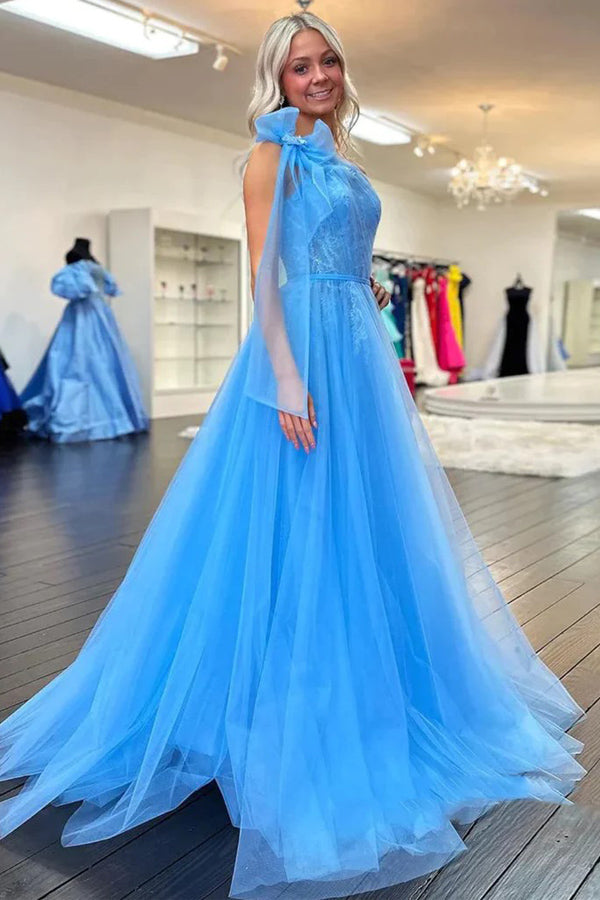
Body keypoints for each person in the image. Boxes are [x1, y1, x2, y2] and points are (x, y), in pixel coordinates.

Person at [0, 12, 584, 900]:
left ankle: (367, 688)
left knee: (362, 520)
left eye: (328, 60)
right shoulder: (269, 155)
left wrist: (362, 320)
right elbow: (263, 274)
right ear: (277, 79)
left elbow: (340, 258)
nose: (319, 76)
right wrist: (284, 379)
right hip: (303, 350)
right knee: (291, 518)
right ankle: (259, 704)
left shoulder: (341, 158)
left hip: (356, 347)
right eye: (300, 66)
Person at [20, 238, 149, 442]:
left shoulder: (87, 266)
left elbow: (104, 287)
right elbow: (82, 288)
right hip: (86, 316)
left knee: (94, 363)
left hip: (93, 316)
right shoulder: (80, 263)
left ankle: (103, 420)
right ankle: (101, 420)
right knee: (81, 363)